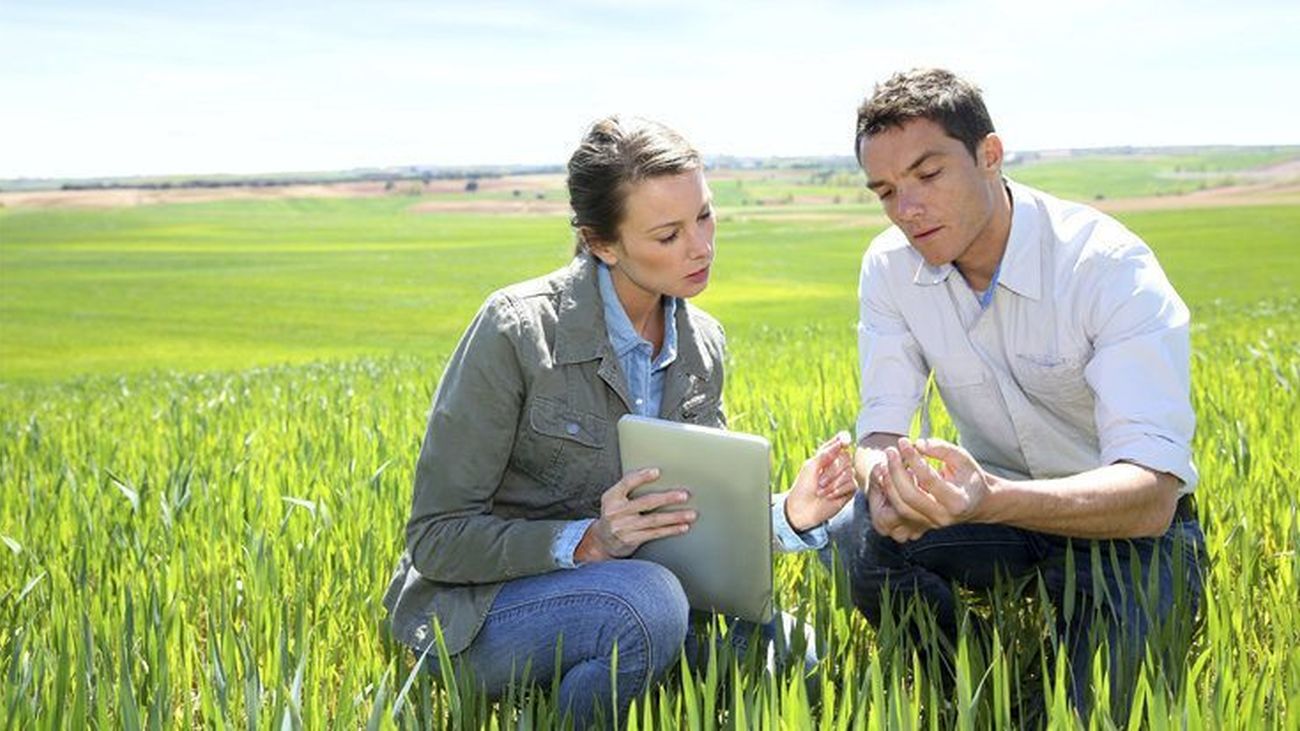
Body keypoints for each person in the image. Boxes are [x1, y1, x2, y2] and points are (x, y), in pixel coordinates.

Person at [383, 116, 857, 728]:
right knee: (648, 603)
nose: (701, 247)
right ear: (601, 243)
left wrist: (792, 513)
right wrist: (586, 541)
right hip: (483, 613)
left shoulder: (702, 344)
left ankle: (601, 682)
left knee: (795, 651)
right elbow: (437, 538)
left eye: (705, 217)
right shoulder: (516, 330)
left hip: (631, 595)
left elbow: (692, 517)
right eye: (668, 235)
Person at [821, 68, 1205, 716]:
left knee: (1088, 714)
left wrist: (991, 498)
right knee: (858, 534)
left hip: (1124, 529)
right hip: (991, 513)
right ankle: (977, 686)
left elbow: (1152, 495)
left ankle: (1049, 692)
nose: (906, 208)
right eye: (886, 190)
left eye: (928, 174)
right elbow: (879, 430)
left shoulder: (1106, 266)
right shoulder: (889, 267)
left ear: (989, 156)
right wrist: (887, 483)